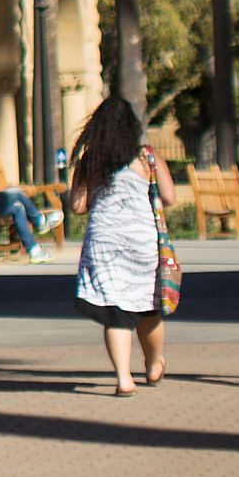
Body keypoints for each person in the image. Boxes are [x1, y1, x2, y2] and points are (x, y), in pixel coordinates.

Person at [64, 95, 172, 395]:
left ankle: (124, 379)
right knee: (149, 308)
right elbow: (170, 195)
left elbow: (77, 205)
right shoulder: (146, 156)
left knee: (116, 312)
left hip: (104, 241)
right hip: (142, 241)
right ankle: (153, 364)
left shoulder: (91, 160)